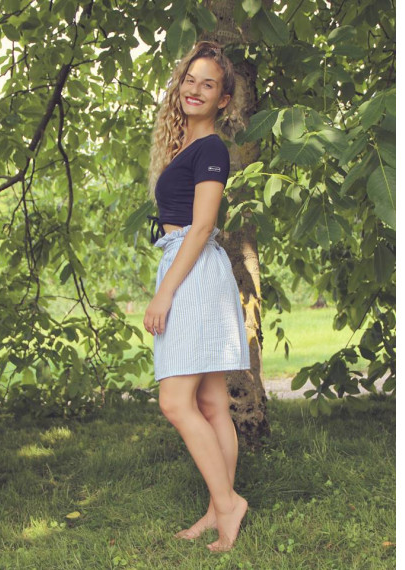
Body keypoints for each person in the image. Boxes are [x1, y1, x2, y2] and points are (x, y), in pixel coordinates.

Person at [143, 40, 251, 552]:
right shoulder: (185, 145)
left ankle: (228, 504)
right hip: (190, 264)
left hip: (193, 270)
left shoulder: (211, 149)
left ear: (222, 99)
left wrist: (164, 293)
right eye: (190, 80)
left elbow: (203, 224)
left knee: (175, 401)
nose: (195, 90)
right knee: (211, 401)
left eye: (208, 85)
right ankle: (216, 509)